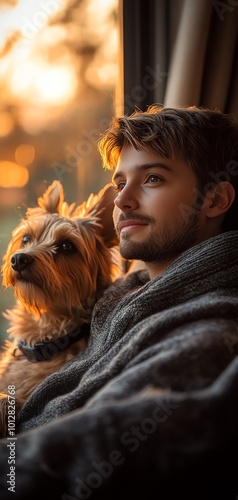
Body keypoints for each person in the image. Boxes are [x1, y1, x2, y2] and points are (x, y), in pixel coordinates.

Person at [1, 105, 238, 500]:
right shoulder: (122, 304)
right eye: (120, 181)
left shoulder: (208, 333)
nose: (122, 201)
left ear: (215, 199)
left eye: (153, 178)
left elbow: (85, 451)